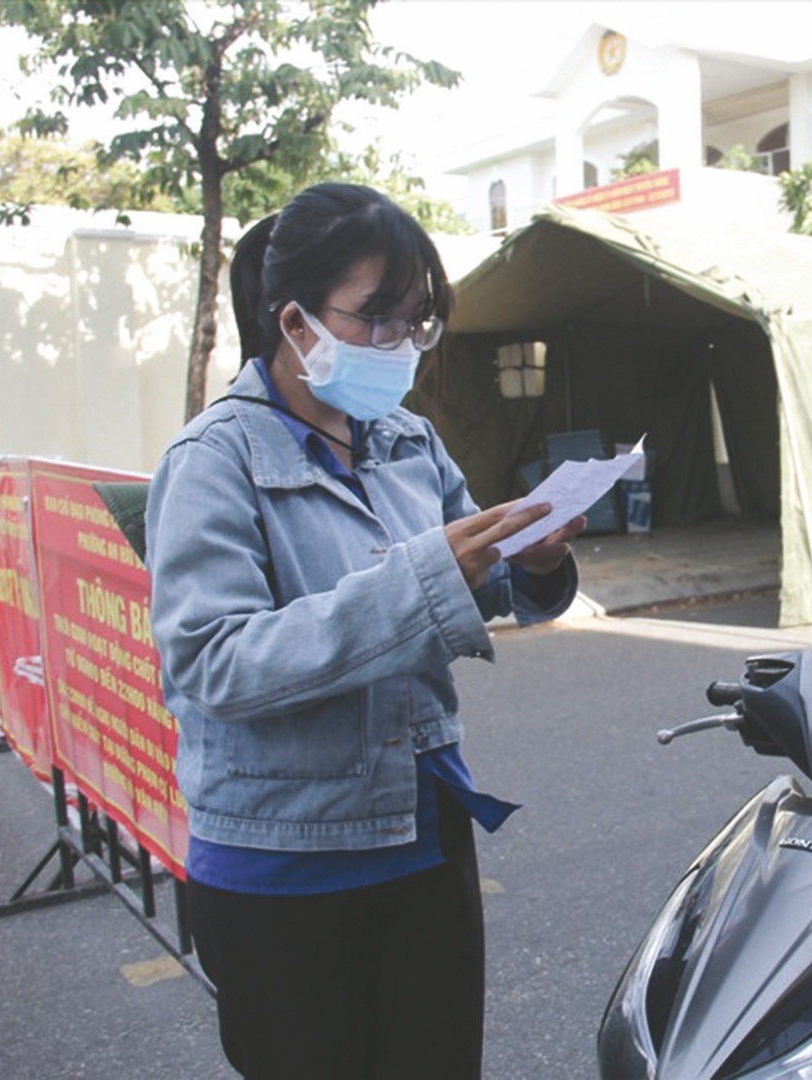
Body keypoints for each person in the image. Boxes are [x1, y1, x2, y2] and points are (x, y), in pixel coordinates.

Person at [145, 182, 584, 1079]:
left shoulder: (406, 442)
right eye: (375, 316)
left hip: (418, 828)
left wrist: (531, 562)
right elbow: (214, 662)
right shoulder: (213, 461)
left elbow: (469, 580)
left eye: (416, 320)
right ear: (293, 319)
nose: (399, 345)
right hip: (284, 857)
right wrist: (427, 580)